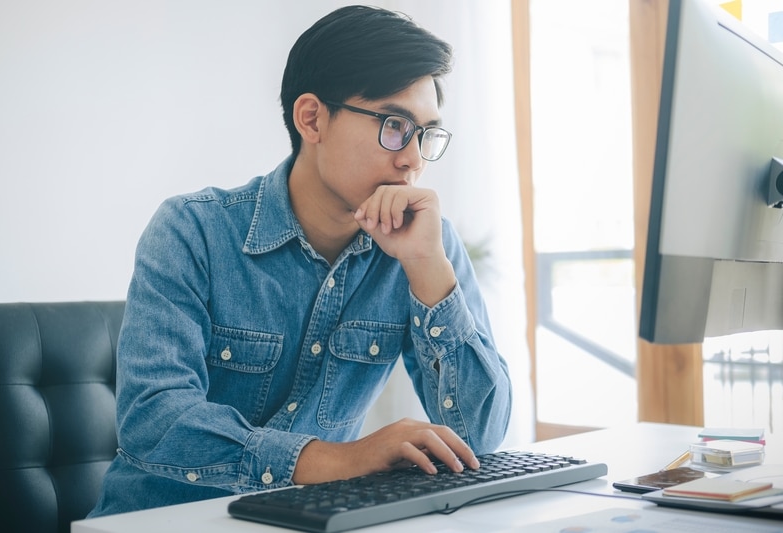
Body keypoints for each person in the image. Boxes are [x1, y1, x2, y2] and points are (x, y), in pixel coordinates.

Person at [88, 4, 512, 517]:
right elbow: (154, 420)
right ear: (312, 118)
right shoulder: (191, 230)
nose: (413, 159)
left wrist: (428, 270)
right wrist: (341, 460)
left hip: (311, 524)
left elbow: (481, 438)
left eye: (425, 134)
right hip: (161, 523)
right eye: (395, 125)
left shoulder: (425, 244)